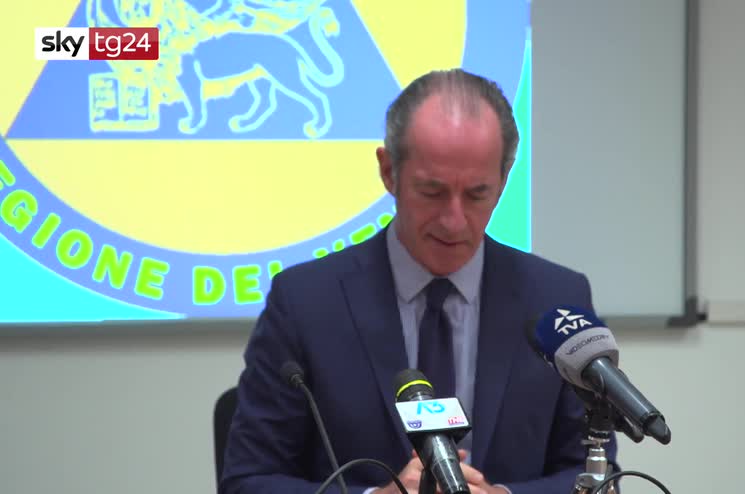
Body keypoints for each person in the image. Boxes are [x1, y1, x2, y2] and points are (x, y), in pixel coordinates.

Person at [220, 68, 618, 494]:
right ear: (388, 171)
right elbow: (248, 482)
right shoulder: (306, 303)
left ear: (503, 181)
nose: (453, 221)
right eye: (432, 192)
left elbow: (598, 476)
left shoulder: (556, 299)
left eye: (477, 194)